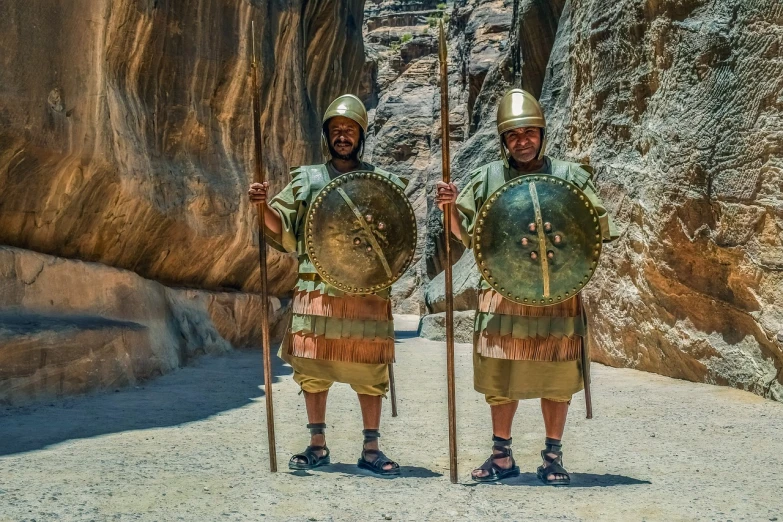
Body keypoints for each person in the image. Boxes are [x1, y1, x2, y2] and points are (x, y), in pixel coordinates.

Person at [436, 88, 618, 485]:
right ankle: (502, 456)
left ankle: (553, 457)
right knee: (502, 375)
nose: (523, 141)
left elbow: (595, 231)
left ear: (542, 134)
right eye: (514, 136)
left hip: (557, 296)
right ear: (504, 141)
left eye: (529, 133)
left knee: (557, 377)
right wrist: (450, 210)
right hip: (502, 292)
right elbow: (468, 236)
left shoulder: (569, 176)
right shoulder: (487, 178)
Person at [248, 94, 407, 475]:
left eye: (349, 130)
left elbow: (397, 238)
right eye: (336, 131)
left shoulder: (381, 183)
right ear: (327, 137)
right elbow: (282, 229)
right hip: (316, 294)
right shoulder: (307, 180)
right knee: (314, 368)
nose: (342, 136)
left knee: (370, 372)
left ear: (360, 136)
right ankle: (317, 444)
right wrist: (262, 206)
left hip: (365, 295)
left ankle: (371, 448)